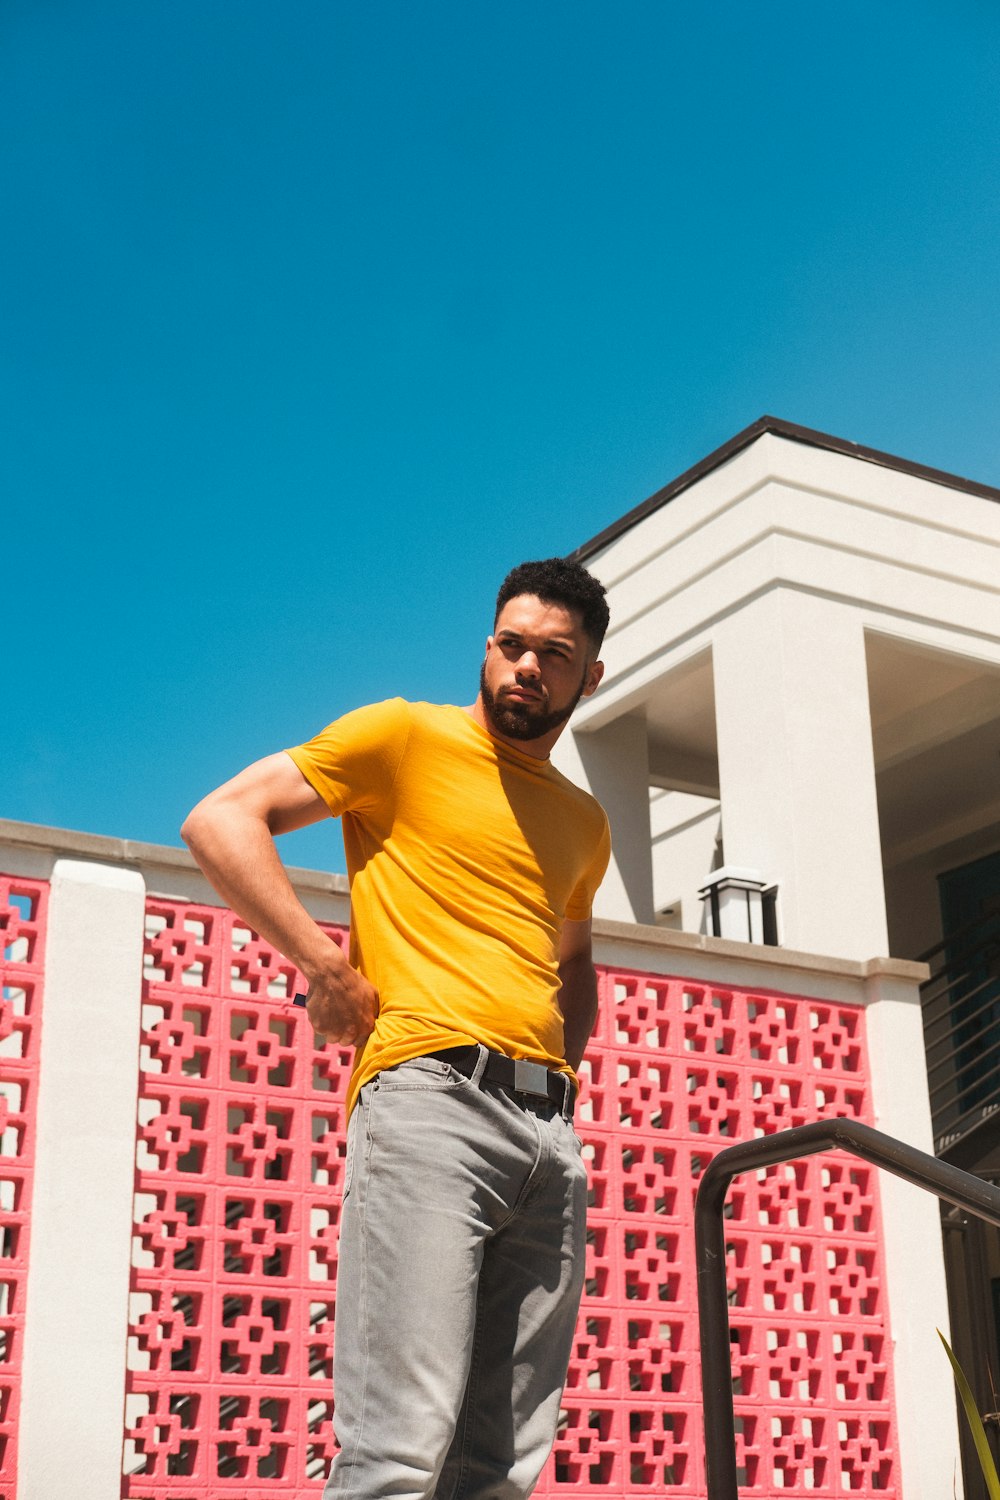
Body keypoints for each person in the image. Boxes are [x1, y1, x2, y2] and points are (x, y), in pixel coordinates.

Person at [181, 556, 612, 1500]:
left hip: (550, 1137)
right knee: (398, 1454)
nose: (526, 667)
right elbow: (222, 819)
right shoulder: (402, 737)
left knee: (501, 1468)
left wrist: (557, 1078)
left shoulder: (585, 822)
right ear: (486, 647)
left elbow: (574, 963)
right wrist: (321, 964)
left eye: (554, 653)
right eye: (510, 645)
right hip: (428, 1107)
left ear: (591, 676)